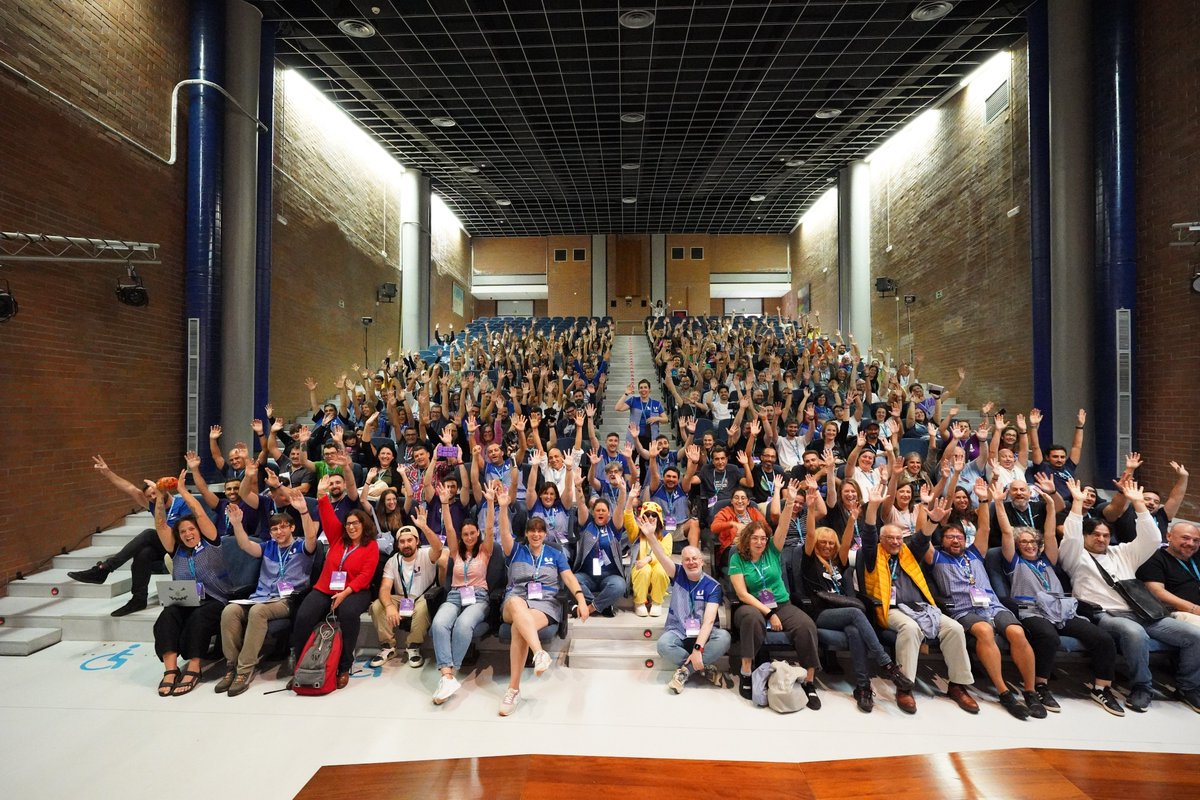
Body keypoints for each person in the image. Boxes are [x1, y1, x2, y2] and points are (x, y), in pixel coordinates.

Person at [1058, 479, 1200, 713]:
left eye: (1105, 535)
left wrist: (1138, 504)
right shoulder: (1075, 556)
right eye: (1095, 534)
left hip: (1144, 611)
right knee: (1135, 634)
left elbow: (1153, 539)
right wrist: (1077, 504)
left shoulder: (1122, 552)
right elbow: (1072, 536)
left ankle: (1187, 687)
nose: (1101, 539)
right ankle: (1142, 687)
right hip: (1108, 614)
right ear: (1085, 537)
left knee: (1195, 636)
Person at [995, 479, 1125, 715]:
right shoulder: (1013, 561)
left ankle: (1101, 688)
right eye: (1024, 542)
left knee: (1103, 638)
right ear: (1017, 546)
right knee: (1048, 637)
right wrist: (998, 503)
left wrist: (1050, 507)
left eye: (1033, 542)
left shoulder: (1048, 559)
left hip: (1062, 609)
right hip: (1031, 610)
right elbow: (1006, 531)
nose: (1030, 545)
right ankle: (1041, 686)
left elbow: (1049, 533)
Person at [926, 478, 1047, 720]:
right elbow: (923, 538)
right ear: (943, 541)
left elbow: (985, 529)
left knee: (1017, 633)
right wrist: (927, 509)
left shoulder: (974, 552)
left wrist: (983, 500)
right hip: (963, 609)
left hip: (992, 605)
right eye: (949, 537)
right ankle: (1003, 692)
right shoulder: (937, 557)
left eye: (958, 537)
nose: (954, 540)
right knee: (984, 631)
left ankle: (1031, 691)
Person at [860, 486, 978, 715]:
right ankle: (905, 685)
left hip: (921, 607)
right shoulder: (873, 553)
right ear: (882, 539)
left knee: (954, 628)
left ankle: (957, 684)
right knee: (910, 628)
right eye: (890, 538)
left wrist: (932, 521)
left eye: (898, 537)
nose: (895, 542)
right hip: (891, 609)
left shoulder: (907, 551)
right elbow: (868, 534)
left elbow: (923, 539)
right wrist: (873, 506)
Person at [800, 479, 912, 713]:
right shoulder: (809, 560)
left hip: (844, 614)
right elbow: (810, 536)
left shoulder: (838, 563)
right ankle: (887, 665)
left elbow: (847, 542)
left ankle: (863, 687)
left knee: (854, 630)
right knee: (855, 612)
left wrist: (852, 519)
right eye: (824, 542)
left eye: (831, 543)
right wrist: (810, 510)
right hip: (821, 613)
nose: (828, 546)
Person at [728, 479, 822, 710]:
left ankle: (810, 682)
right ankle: (747, 672)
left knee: (806, 625)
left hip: (781, 602)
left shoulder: (772, 549)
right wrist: (769, 613)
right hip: (751, 605)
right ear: (747, 539)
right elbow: (741, 593)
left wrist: (789, 501)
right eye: (755, 538)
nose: (760, 542)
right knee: (751, 619)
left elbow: (782, 526)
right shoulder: (736, 558)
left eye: (763, 538)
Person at [497, 484, 590, 716]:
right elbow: (504, 532)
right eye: (532, 531)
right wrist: (500, 507)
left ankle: (513, 690)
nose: (536, 534)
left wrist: (580, 597)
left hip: (545, 604)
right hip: (515, 599)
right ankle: (539, 652)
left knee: (520, 628)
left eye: (540, 531)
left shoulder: (556, 554)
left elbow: (568, 577)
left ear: (545, 534)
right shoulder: (515, 550)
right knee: (518, 606)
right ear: (527, 534)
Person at [217, 490, 317, 696]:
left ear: (291, 528)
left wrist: (304, 511)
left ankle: (245, 670)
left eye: (282, 527)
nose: (278, 532)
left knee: (258, 612)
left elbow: (311, 536)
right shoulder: (268, 547)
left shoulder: (302, 546)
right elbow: (245, 544)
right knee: (229, 611)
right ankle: (231, 666)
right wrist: (236, 523)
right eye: (274, 529)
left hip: (287, 599)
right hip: (260, 597)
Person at [151, 470, 235, 696]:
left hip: (214, 599)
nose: (188, 534)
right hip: (184, 599)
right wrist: (160, 498)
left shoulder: (210, 542)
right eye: (183, 531)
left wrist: (182, 492)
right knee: (166, 617)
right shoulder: (177, 549)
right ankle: (170, 670)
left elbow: (199, 513)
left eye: (191, 529)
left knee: (199, 618)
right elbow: (160, 525)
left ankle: (194, 668)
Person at [69, 455, 184, 617]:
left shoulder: (181, 503)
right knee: (144, 554)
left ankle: (105, 568)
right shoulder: (153, 504)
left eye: (154, 493)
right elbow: (129, 488)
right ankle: (138, 599)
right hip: (164, 547)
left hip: (181, 546)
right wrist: (108, 472)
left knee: (148, 534)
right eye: (149, 496)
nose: (152, 497)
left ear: (162, 490)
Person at [286, 497, 381, 689]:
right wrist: (322, 497)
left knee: (347, 613)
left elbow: (365, 576)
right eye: (348, 524)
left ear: (364, 524)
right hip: (326, 587)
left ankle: (344, 666)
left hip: (356, 590)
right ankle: (301, 666)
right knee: (303, 616)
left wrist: (345, 593)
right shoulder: (338, 538)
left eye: (356, 523)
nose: (351, 527)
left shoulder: (371, 545)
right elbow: (328, 517)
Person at [632, 512, 731, 693]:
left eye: (695, 559)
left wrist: (698, 650)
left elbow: (709, 621)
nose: (691, 562)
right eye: (687, 559)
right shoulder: (677, 574)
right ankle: (704, 670)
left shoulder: (713, 586)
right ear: (682, 562)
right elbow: (661, 556)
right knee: (663, 645)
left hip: (704, 634)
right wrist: (651, 536)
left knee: (724, 637)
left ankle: (685, 671)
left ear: (702, 561)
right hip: (679, 630)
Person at [429, 483, 496, 704]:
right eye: (465, 534)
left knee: (463, 625)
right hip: (455, 595)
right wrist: (445, 503)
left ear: (477, 534)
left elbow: (489, 529)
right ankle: (447, 676)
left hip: (478, 596)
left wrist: (491, 503)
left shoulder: (485, 550)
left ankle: (450, 673)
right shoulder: (456, 552)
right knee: (439, 623)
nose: (468, 537)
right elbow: (449, 529)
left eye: (472, 533)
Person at [368, 505, 444, 669]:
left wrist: (424, 527)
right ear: (398, 544)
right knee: (377, 606)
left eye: (410, 540)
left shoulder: (426, 553)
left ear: (417, 541)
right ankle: (388, 646)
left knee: (423, 606)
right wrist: (389, 606)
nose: (406, 544)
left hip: (422, 597)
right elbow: (384, 589)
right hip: (402, 598)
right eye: (402, 542)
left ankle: (413, 646)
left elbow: (438, 548)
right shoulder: (393, 560)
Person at [572, 476, 634, 617]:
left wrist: (623, 490)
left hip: (609, 576)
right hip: (587, 575)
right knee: (573, 580)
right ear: (593, 513)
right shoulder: (586, 524)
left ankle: (590, 608)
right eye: (597, 510)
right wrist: (578, 487)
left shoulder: (614, 527)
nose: (600, 512)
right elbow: (581, 504)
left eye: (603, 510)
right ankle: (603, 606)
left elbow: (619, 507)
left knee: (619, 586)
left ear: (609, 513)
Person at [1137, 520, 1200, 627]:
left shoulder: (1196, 557)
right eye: (1185, 538)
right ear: (1169, 536)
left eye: (1196, 540)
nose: (1191, 543)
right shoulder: (1154, 557)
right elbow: (1157, 592)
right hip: (1176, 612)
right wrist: (1193, 608)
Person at [627, 501, 671, 617]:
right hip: (640, 571)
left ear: (659, 517)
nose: (650, 517)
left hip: (657, 570)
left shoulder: (666, 535)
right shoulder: (636, 533)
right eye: (647, 514)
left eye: (654, 515)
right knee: (644, 568)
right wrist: (629, 499)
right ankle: (639, 602)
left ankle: (657, 602)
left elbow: (665, 555)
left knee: (661, 569)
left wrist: (649, 558)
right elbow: (627, 519)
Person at [711, 487, 766, 565]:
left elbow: (766, 528)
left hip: (754, 546)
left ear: (748, 502)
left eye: (743, 498)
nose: (740, 501)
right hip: (732, 549)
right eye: (736, 498)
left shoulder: (754, 512)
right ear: (732, 501)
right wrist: (732, 524)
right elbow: (714, 528)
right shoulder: (725, 512)